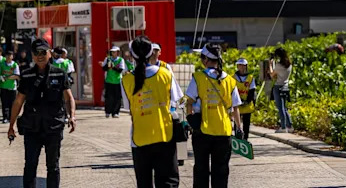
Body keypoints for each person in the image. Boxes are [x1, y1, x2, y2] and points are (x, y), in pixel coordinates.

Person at [8, 38, 76, 188]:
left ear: (50, 53)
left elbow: (68, 98)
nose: (40, 56)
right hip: (32, 127)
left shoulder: (60, 74)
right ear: (32, 55)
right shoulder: (26, 76)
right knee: (30, 165)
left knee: (53, 165)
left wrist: (72, 116)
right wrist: (11, 125)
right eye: (36, 53)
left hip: (53, 127)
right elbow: (18, 102)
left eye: (43, 52)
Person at [122, 36, 182, 188]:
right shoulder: (166, 74)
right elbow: (176, 100)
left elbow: (129, 109)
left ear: (132, 55)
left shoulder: (126, 80)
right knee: (168, 182)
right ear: (152, 53)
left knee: (144, 183)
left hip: (139, 139)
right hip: (165, 135)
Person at [185, 45, 242, 188]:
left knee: (201, 170)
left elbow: (189, 102)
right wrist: (239, 128)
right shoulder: (230, 80)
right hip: (224, 131)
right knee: (221, 171)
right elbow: (235, 108)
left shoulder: (198, 77)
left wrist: (190, 118)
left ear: (205, 60)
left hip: (202, 130)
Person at [269, 47, 293, 133]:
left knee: (280, 108)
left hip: (278, 87)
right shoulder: (289, 64)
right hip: (285, 87)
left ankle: (283, 127)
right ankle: (289, 126)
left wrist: (270, 64)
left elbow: (272, 75)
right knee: (284, 108)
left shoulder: (279, 65)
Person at [233, 58, 255, 141]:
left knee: (246, 124)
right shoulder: (233, 77)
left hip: (247, 105)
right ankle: (237, 139)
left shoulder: (250, 78)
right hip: (237, 105)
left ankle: (245, 139)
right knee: (236, 123)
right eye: (240, 65)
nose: (241, 67)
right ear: (237, 66)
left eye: (243, 65)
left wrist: (247, 101)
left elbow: (252, 90)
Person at [102, 45, 126, 117]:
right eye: (112, 52)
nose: (113, 53)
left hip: (117, 81)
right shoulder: (107, 59)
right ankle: (108, 112)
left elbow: (120, 70)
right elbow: (103, 68)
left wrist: (113, 67)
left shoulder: (121, 60)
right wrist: (108, 66)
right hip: (109, 81)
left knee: (117, 97)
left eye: (114, 52)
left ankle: (115, 112)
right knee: (108, 97)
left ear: (118, 53)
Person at [0, 50, 21, 123]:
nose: (8, 57)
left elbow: (17, 76)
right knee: (4, 103)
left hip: (12, 87)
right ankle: (5, 117)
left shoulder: (15, 65)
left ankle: (11, 117)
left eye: (10, 56)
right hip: (3, 86)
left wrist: (7, 77)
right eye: (7, 55)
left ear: (12, 57)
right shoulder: (1, 64)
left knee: (12, 103)